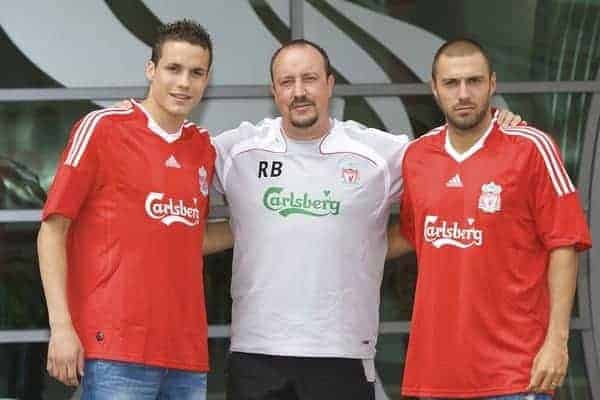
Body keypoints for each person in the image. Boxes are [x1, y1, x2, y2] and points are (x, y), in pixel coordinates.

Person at [210, 39, 521, 400]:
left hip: (343, 352)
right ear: (273, 90)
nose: (299, 92)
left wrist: (494, 125)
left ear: (329, 84)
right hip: (256, 352)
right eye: (287, 82)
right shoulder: (237, 150)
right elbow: (174, 159)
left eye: (309, 79)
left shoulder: (379, 153)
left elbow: (449, 163)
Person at [36, 19, 230, 400]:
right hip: (115, 351)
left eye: (196, 73)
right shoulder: (103, 129)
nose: (184, 83)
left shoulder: (202, 148)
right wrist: (61, 327)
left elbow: (191, 236)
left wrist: (261, 224)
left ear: (207, 80)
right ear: (151, 69)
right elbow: (53, 229)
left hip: (186, 355)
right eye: (173, 69)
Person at [399, 38, 592, 399]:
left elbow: (564, 245)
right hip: (436, 375)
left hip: (515, 373)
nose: (463, 93)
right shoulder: (416, 157)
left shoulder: (531, 147)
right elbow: (413, 237)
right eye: (451, 83)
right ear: (434, 89)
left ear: (492, 84)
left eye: (474, 81)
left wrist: (557, 342)